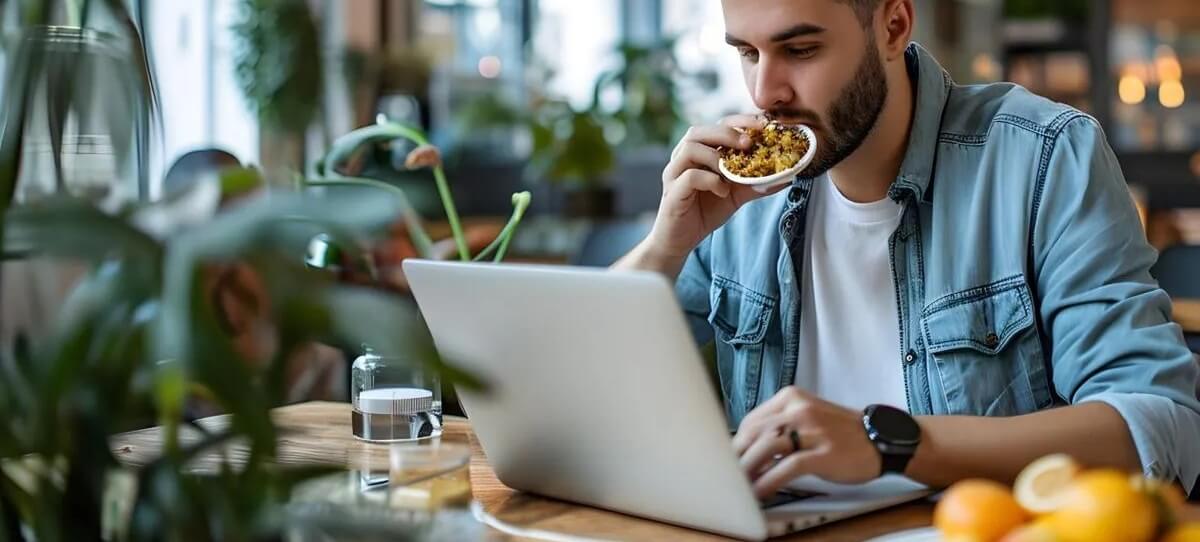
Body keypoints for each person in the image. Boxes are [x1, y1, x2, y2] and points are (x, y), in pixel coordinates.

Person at [615, 0, 1200, 500]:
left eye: (801, 50)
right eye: (747, 52)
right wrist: (666, 248)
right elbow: (571, 399)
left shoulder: (1043, 156)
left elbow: (1156, 424)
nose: (766, 91)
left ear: (893, 27)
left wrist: (886, 441)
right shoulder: (739, 198)